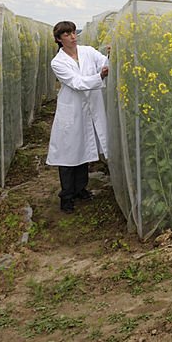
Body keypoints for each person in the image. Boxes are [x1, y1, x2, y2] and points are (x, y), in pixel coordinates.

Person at [46, 21, 109, 213]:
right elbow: (77, 82)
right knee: (67, 154)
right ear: (58, 39)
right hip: (71, 111)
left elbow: (104, 62)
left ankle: (81, 189)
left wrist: (110, 55)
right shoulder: (57, 62)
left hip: (88, 109)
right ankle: (66, 196)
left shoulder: (88, 51)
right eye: (66, 34)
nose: (72, 37)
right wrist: (100, 76)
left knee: (84, 149)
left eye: (73, 33)